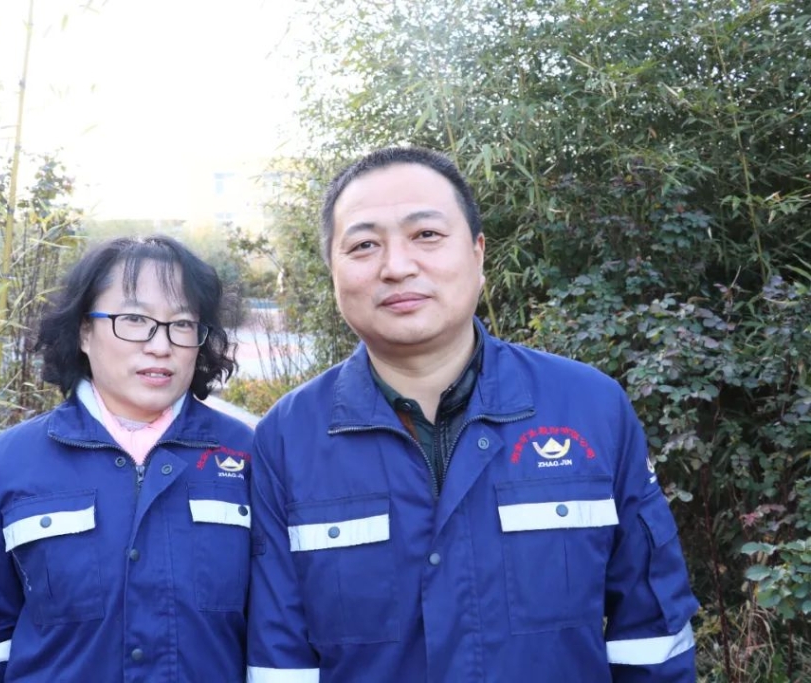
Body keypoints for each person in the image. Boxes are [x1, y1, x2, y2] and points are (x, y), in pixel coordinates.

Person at [246, 147, 699, 683]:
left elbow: (651, 635)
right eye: (364, 245)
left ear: (479, 253)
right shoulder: (288, 438)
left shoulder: (591, 408)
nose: (397, 267)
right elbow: (281, 659)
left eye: (426, 234)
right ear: (333, 271)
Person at [0, 236, 254, 682]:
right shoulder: (7, 466)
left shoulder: (247, 456)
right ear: (84, 332)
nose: (160, 345)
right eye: (134, 319)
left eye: (182, 323)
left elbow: (280, 626)